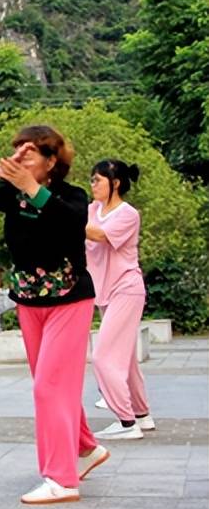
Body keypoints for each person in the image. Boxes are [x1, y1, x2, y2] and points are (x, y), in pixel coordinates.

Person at [0, 126, 108, 505]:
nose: (22, 155)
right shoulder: (11, 197)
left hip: (69, 297)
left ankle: (62, 480)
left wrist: (31, 185)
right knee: (51, 383)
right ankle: (86, 448)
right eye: (17, 150)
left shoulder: (71, 197)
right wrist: (3, 172)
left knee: (49, 386)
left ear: (51, 161)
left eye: (32, 152)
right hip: (29, 299)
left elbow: (69, 222)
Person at [86, 159, 154, 440]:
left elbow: (100, 236)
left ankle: (127, 423)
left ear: (114, 183)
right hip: (104, 289)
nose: (92, 185)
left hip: (126, 288)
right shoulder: (92, 209)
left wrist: (66, 218)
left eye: (97, 180)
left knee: (103, 357)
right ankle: (142, 415)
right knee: (125, 360)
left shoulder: (128, 214)